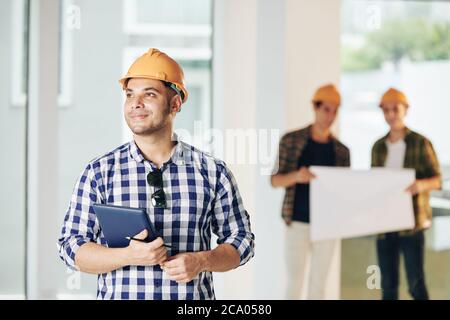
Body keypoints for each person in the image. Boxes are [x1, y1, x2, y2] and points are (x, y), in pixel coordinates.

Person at [58, 48, 255, 300]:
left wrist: (202, 260)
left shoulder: (213, 173)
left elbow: (242, 241)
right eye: (130, 95)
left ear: (175, 104)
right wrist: (127, 256)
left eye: (149, 94)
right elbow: (70, 247)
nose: (135, 104)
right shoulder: (99, 172)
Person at [271, 84, 350, 299]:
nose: (330, 115)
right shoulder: (291, 140)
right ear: (315, 108)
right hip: (297, 221)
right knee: (294, 283)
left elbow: (344, 191)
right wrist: (297, 176)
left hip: (328, 224)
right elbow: (275, 180)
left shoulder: (342, 151)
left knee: (319, 285)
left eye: (335, 110)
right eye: (326, 109)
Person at [371, 88, 441, 300]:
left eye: (395, 109)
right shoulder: (378, 147)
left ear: (405, 109)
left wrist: (419, 185)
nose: (391, 114)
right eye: (386, 110)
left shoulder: (421, 142)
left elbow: (437, 180)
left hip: (411, 225)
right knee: (388, 286)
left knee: (416, 283)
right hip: (385, 225)